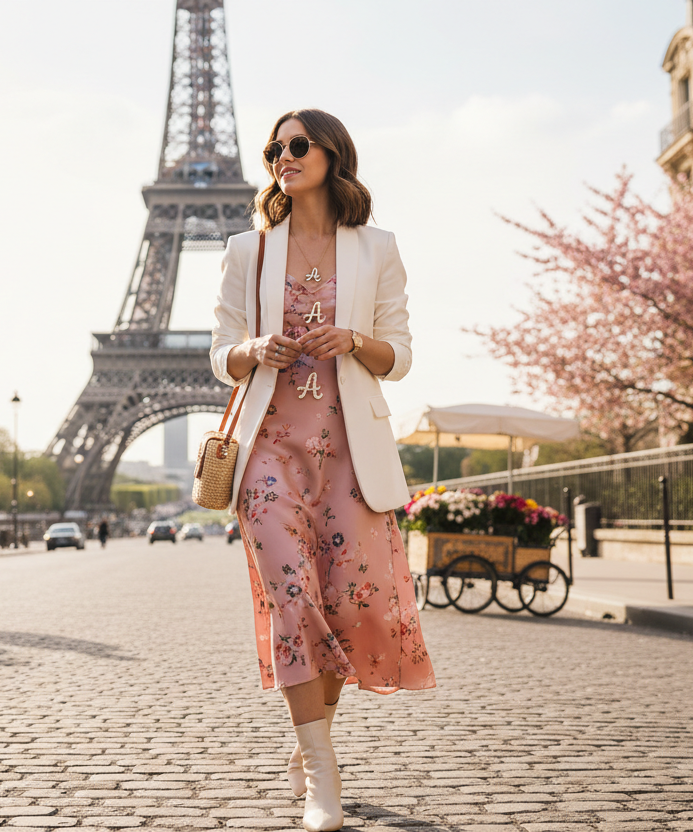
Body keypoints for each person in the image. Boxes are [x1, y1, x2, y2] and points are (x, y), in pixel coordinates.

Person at [210, 109, 434, 832]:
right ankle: (321, 774)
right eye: (274, 147)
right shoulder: (248, 249)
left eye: (297, 145)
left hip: (348, 452)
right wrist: (255, 349)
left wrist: (354, 339)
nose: (283, 155)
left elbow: (399, 355)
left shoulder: (377, 248)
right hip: (269, 448)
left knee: (349, 605)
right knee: (292, 596)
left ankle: (312, 748)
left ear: (334, 154)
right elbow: (220, 353)